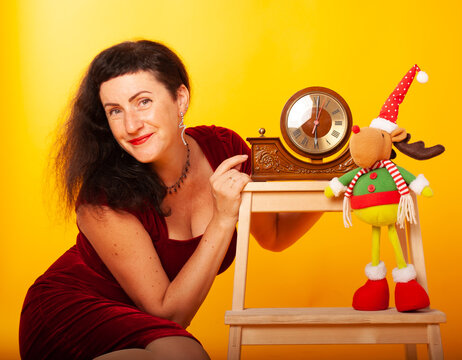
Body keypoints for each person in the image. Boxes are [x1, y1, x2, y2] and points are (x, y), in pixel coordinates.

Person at [19, 40, 322, 360]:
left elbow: (274, 235)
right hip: (70, 313)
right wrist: (222, 218)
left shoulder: (224, 149)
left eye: (143, 102)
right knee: (184, 355)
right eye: (115, 111)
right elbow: (171, 315)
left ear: (180, 99)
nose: (131, 125)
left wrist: (334, 184)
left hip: (147, 327)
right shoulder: (101, 197)